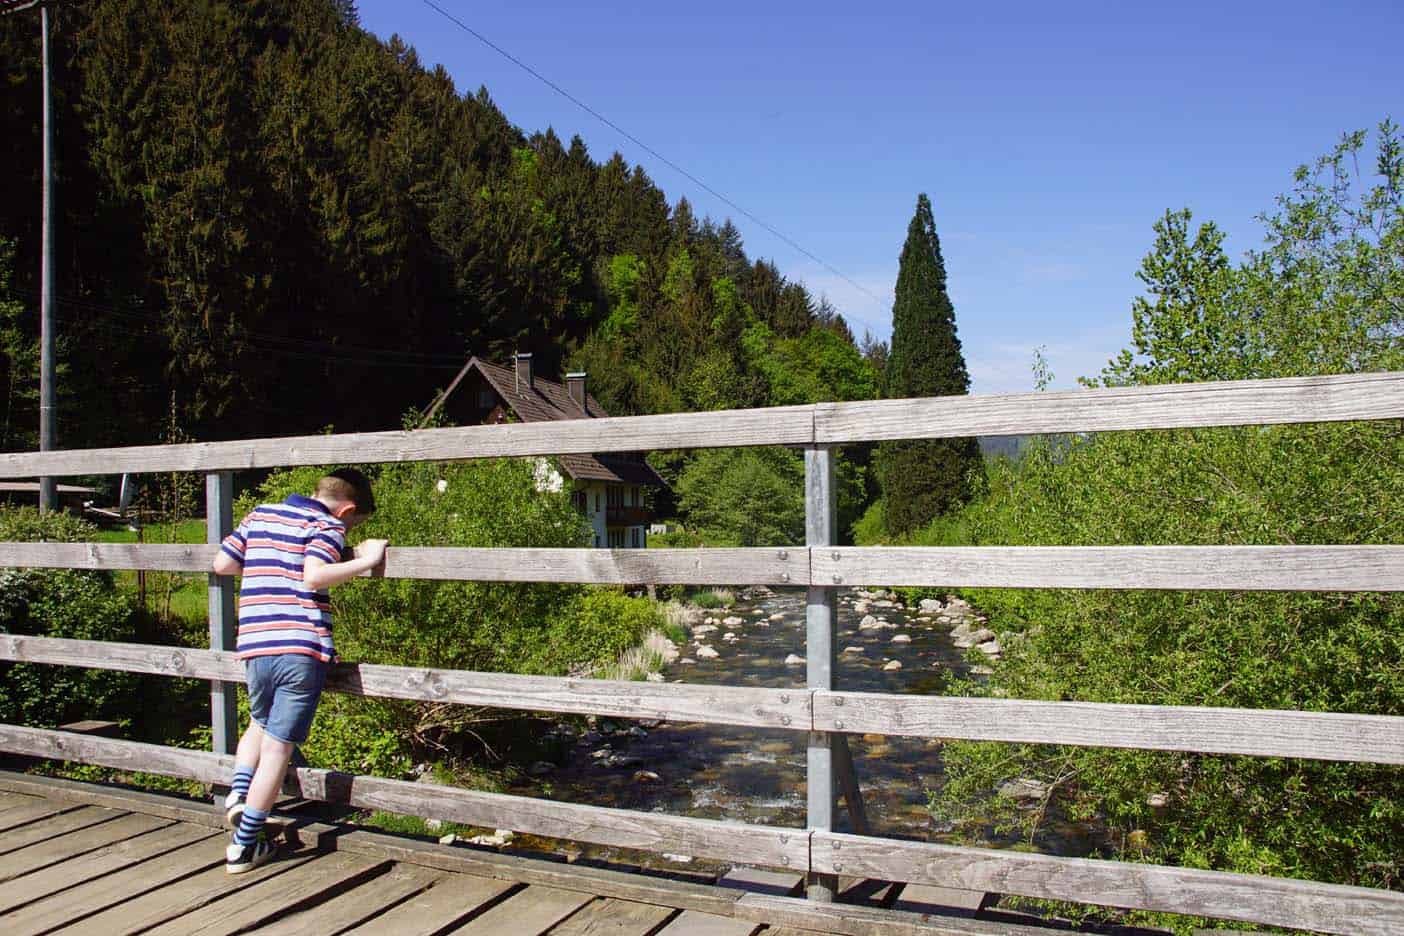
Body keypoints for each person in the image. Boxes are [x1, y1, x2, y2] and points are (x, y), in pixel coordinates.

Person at [211, 468, 387, 873]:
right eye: (352, 523)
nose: (347, 528)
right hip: (299, 649)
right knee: (279, 747)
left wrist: (268, 570)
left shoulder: (261, 514)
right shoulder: (325, 524)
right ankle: (244, 846)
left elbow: (223, 563)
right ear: (347, 508)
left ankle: (239, 796)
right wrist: (368, 560)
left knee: (259, 722)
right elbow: (314, 576)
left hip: (255, 644)